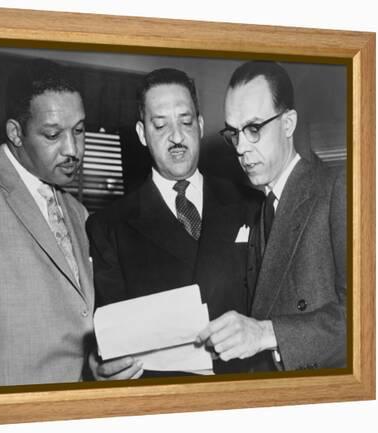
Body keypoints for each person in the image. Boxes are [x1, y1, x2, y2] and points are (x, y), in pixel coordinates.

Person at [86, 68, 263, 380]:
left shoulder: (251, 205)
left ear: (201, 125)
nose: (177, 138)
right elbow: (111, 338)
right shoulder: (108, 226)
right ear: (142, 133)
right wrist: (103, 368)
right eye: (160, 125)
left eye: (185, 122)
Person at [0, 60, 94, 387]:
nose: (73, 150)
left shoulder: (78, 212)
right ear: (16, 133)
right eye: (53, 134)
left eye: (79, 130)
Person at [196, 60, 346, 371]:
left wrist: (268, 333)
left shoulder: (337, 189)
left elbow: (369, 317)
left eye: (253, 129)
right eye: (234, 133)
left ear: (288, 123)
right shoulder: (257, 206)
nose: (241, 148)